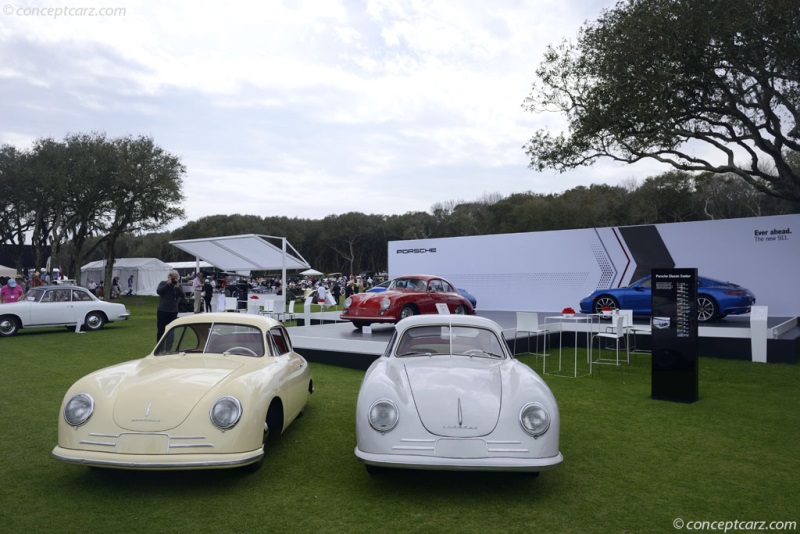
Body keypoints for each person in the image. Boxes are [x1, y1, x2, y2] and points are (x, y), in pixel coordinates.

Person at [156, 270, 183, 342]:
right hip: (163, 310)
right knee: (161, 330)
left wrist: (178, 287)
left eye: (176, 278)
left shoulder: (178, 285)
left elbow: (183, 296)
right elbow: (159, 291)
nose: (175, 280)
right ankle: (159, 348)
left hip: (173, 311)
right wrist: (167, 284)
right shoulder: (163, 283)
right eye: (173, 278)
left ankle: (168, 349)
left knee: (171, 330)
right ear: (169, 277)